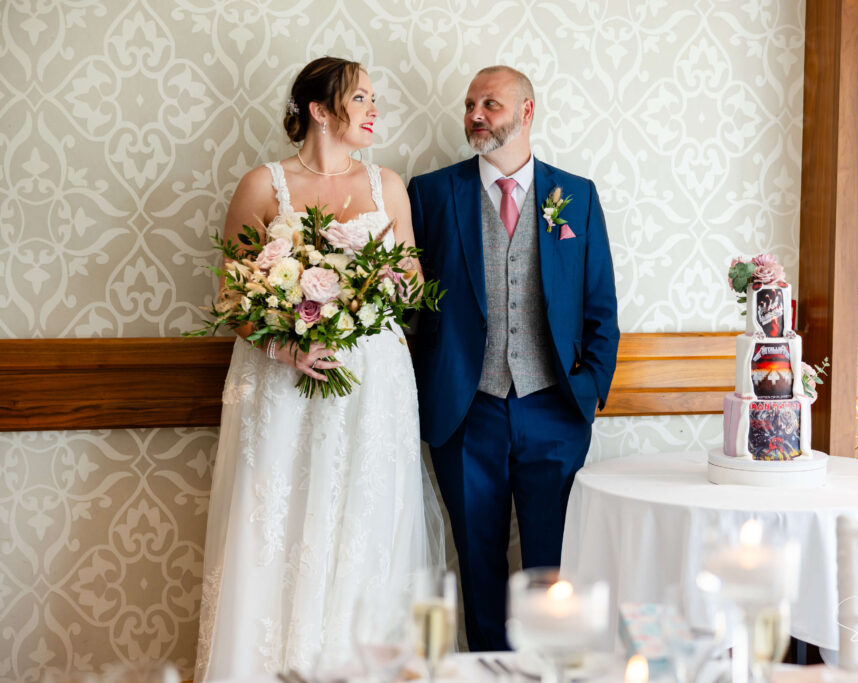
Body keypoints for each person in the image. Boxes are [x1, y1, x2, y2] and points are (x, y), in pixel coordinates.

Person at [194, 57, 441, 680]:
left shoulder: (389, 184)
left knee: (366, 514)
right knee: (275, 519)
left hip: (373, 382)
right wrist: (287, 346)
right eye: (360, 98)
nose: (374, 110)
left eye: (373, 98)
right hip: (282, 383)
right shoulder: (262, 185)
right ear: (320, 111)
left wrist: (373, 289)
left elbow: (410, 283)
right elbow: (230, 295)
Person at [407, 65, 619, 651]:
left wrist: (591, 389)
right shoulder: (429, 194)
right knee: (477, 562)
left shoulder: (574, 195)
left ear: (526, 112)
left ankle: (547, 667)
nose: (476, 115)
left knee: (550, 567)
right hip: (465, 410)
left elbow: (600, 304)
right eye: (471, 104)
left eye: (490, 104)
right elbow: (409, 310)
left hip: (555, 407)